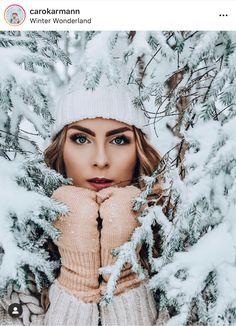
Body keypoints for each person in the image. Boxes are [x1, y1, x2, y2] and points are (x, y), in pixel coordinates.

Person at [41, 74, 167, 326]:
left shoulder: (179, 247)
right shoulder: (14, 250)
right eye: (81, 139)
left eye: (119, 140)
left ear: (140, 151)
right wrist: (75, 281)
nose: (100, 159)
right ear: (60, 150)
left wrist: (125, 274)